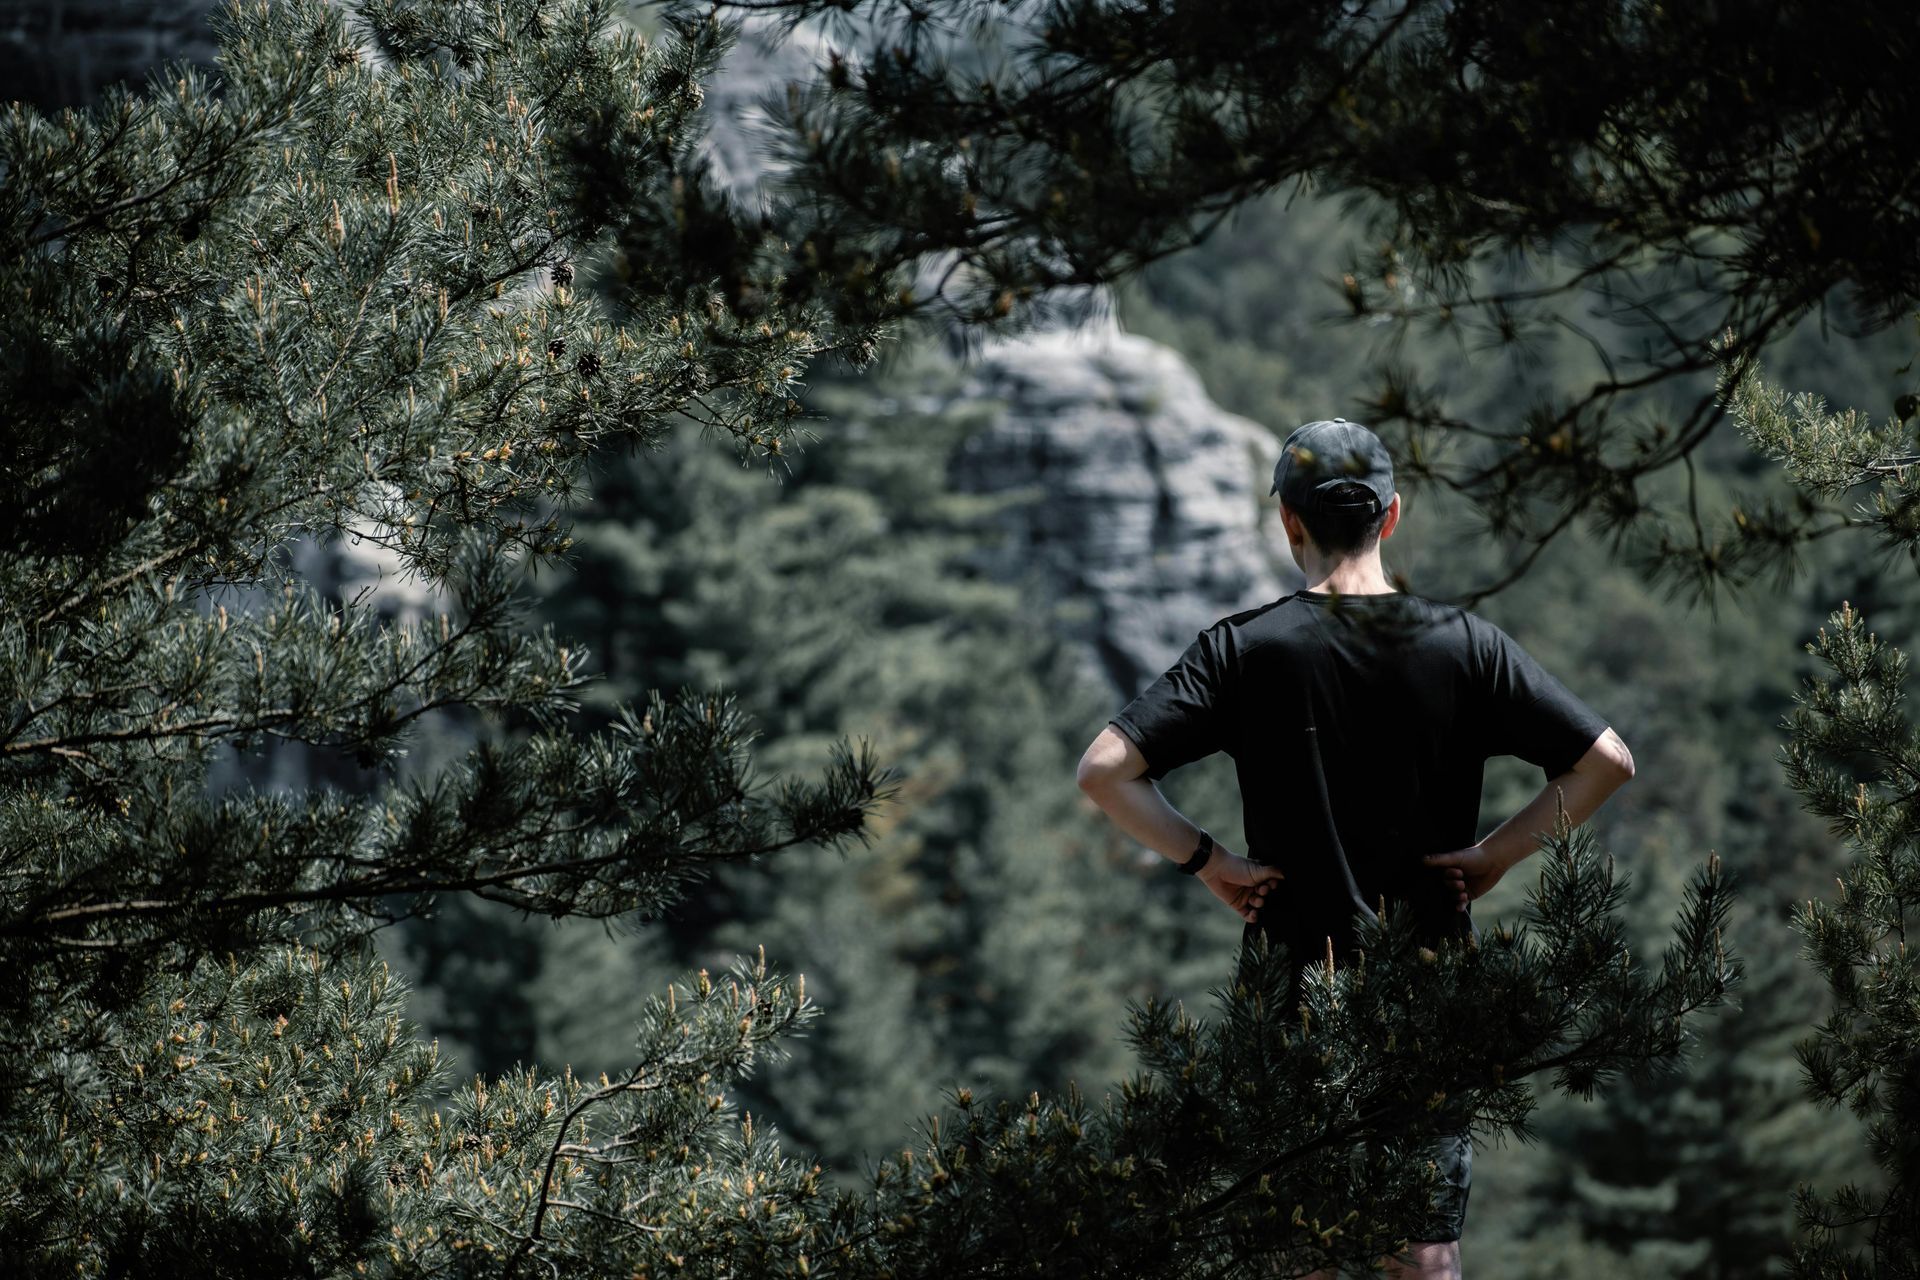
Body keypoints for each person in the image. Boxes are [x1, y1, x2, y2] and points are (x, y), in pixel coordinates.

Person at [1074, 418, 1635, 1280]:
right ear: (1393, 516)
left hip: (1289, 1002)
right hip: (1430, 1003)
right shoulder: (1465, 644)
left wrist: (1210, 863)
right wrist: (1495, 856)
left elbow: (1107, 772)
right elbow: (1605, 763)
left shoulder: (1244, 650)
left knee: (1301, 1253)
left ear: (1289, 524)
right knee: (1426, 1259)